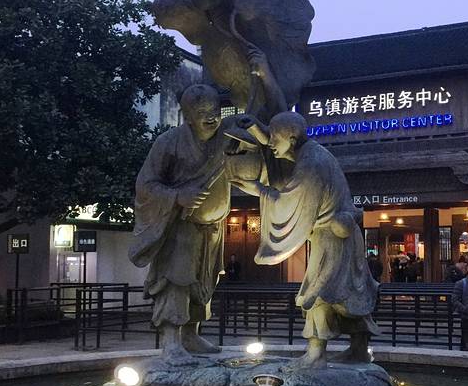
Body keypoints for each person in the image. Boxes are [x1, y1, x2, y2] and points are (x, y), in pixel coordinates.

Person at [234, 110, 380, 369]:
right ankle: (358, 349)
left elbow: (290, 201)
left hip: (332, 237)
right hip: (343, 236)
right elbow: (277, 146)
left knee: (318, 290)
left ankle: (316, 353)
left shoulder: (311, 164)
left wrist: (259, 190)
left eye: (274, 138)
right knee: (351, 289)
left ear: (291, 139)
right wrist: (257, 128)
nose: (271, 145)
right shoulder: (313, 152)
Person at [129, 83, 232, 362]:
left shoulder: (225, 139)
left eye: (214, 110)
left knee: (204, 280)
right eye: (202, 112)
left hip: (212, 228)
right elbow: (145, 185)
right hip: (179, 226)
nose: (211, 117)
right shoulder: (169, 142)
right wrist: (177, 196)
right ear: (187, 116)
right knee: (176, 279)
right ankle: (171, 341)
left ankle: (190, 334)